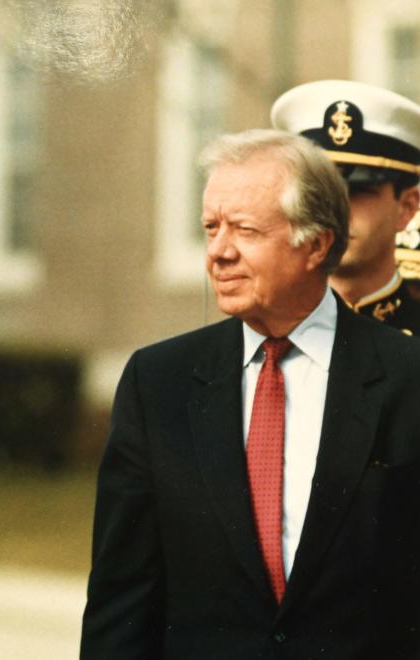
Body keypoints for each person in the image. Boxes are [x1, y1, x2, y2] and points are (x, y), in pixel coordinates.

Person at [80, 129, 420, 659]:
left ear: (317, 243)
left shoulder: (407, 377)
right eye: (211, 228)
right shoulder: (158, 381)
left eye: (243, 230)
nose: (218, 252)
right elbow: (121, 600)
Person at [271, 79, 420, 334]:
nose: (335, 211)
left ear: (406, 208)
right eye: (319, 192)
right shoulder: (266, 334)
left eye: (358, 192)